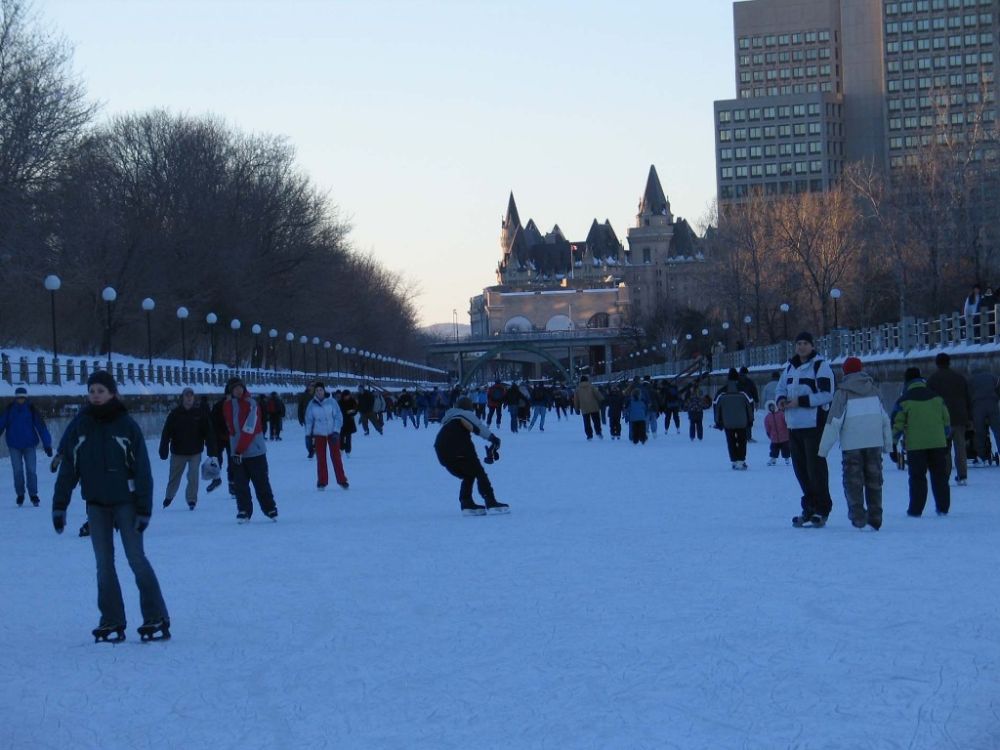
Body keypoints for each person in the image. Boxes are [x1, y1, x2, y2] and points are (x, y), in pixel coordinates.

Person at [52, 371, 170, 642]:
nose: (95, 395)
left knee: (136, 559)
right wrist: (60, 505)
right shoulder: (81, 426)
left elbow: (142, 469)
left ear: (112, 393)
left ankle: (156, 616)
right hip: (95, 504)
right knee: (103, 564)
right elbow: (69, 468)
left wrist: (144, 509)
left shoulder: (126, 425)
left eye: (101, 390)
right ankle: (112, 619)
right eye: (92, 390)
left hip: (126, 503)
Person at [818, 357, 893, 530]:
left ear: (844, 372)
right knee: (875, 479)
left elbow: (834, 422)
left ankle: (858, 515)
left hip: (852, 445)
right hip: (874, 442)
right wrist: (888, 444)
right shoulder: (874, 390)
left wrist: (823, 450)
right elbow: (884, 419)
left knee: (853, 481)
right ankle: (876, 516)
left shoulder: (842, 393)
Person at [776, 331, 836, 527]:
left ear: (812, 346)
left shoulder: (820, 366)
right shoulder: (789, 368)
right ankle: (809, 507)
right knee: (801, 470)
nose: (801, 347)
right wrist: (781, 400)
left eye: (805, 343)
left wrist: (801, 401)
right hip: (793, 426)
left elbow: (827, 394)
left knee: (815, 469)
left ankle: (821, 509)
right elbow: (780, 389)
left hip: (813, 425)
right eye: (798, 343)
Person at [892, 367, 951, 517]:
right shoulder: (937, 397)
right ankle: (943, 507)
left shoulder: (904, 400)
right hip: (937, 442)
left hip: (916, 445)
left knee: (917, 478)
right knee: (940, 476)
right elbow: (946, 420)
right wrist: (946, 438)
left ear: (906, 381)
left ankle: (916, 509)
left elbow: (897, 424)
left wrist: (892, 443)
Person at [433, 396, 508, 516]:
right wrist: (493, 438)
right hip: (458, 447)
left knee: (469, 474)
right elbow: (477, 426)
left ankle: (466, 503)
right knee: (479, 472)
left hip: (441, 451)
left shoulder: (450, 419)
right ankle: (491, 501)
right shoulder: (463, 414)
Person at [223, 377, 279, 522]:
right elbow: (230, 429)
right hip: (237, 452)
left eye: (240, 387)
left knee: (261, 482)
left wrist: (239, 450)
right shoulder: (227, 405)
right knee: (240, 484)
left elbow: (250, 428)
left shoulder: (252, 404)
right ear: (230, 390)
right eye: (235, 388)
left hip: (255, 450)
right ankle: (244, 510)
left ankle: (269, 508)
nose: (238, 390)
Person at [158, 387, 216, 510]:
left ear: (193, 398)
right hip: (178, 451)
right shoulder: (175, 414)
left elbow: (208, 432)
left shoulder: (200, 413)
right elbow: (166, 432)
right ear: (183, 398)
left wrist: (211, 448)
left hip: (195, 451)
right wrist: (164, 449)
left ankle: (191, 500)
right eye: (186, 395)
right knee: (174, 477)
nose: (189, 398)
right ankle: (169, 496)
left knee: (193, 477)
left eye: (191, 396)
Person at [0, 386, 52, 506]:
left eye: (23, 398)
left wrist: (47, 444)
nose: (20, 400)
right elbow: (1, 424)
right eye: (18, 398)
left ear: (26, 398)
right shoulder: (9, 410)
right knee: (17, 471)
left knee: (31, 471)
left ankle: (33, 495)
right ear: (15, 398)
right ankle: (20, 494)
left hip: (29, 446)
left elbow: (41, 427)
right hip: (14, 446)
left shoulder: (31, 409)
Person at [927, 352, 972, 484]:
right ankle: (962, 475)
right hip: (960, 417)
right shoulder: (960, 378)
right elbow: (967, 398)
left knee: (944, 448)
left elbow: (929, 401)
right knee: (960, 448)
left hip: (941, 419)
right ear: (949, 362)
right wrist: (969, 417)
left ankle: (945, 474)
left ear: (937, 363)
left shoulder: (932, 380)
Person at [305, 382, 349, 490]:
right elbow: (309, 420)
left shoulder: (332, 402)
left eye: (321, 390)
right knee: (321, 459)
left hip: (332, 433)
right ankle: (322, 481)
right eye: (317, 391)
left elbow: (339, 416)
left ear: (324, 391)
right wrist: (308, 435)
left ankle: (342, 480)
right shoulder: (311, 404)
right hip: (319, 434)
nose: (319, 392)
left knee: (336, 457)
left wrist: (336, 431)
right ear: (314, 392)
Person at [714, 368, 753, 470]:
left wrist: (718, 421)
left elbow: (716, 406)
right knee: (742, 441)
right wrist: (750, 420)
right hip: (742, 421)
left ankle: (734, 461)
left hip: (728, 422)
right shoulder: (743, 391)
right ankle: (741, 460)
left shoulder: (722, 392)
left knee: (731, 441)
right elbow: (750, 405)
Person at [968, 367, 1000, 466]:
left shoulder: (971, 379)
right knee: (997, 431)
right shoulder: (992, 376)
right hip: (993, 404)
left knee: (980, 432)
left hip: (978, 406)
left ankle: (981, 457)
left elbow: (968, 394)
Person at [573, 375, 604, 440]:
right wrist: (602, 400)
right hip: (594, 406)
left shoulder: (577, 389)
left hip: (584, 408)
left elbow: (576, 400)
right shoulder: (591, 387)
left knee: (586, 422)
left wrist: (577, 409)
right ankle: (598, 432)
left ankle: (589, 435)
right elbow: (598, 394)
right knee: (596, 421)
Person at [763, 400, 790, 466]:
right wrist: (769, 434)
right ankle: (773, 459)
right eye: (770, 407)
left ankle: (787, 459)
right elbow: (767, 427)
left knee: (785, 448)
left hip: (784, 436)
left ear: (775, 406)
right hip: (774, 437)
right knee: (773, 449)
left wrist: (788, 430)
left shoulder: (781, 414)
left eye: (773, 406)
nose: (772, 408)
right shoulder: (767, 417)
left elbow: (786, 422)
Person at [738, 366, 759, 442]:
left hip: (738, 404)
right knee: (749, 420)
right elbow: (754, 392)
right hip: (749, 404)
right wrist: (756, 402)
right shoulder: (750, 382)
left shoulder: (735, 381)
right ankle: (748, 437)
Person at [297, 382, 317, 456]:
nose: (312, 387)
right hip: (307, 419)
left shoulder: (317, 395)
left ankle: (315, 448)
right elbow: (300, 407)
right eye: (310, 385)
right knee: (309, 435)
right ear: (307, 386)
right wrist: (300, 418)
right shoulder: (303, 396)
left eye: (313, 386)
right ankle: (310, 450)